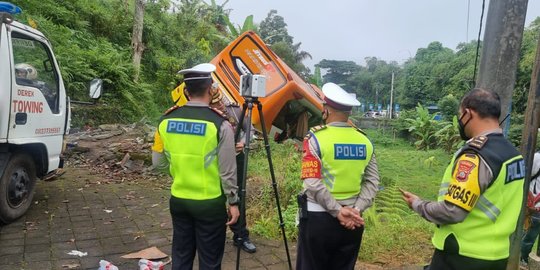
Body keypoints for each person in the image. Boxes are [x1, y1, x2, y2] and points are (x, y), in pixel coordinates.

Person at [401, 88, 525, 270]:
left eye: (460, 115)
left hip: (461, 254)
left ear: (468, 113)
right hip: (496, 256)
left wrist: (418, 204)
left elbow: (452, 212)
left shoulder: (475, 156)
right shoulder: (513, 154)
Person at [151, 63, 240, 270]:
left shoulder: (165, 120)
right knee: (209, 261)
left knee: (181, 257)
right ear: (211, 89)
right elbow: (228, 171)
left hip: (179, 200)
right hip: (210, 203)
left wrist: (179, 170)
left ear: (184, 90)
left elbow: (158, 163)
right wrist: (233, 202)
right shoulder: (220, 124)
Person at [296, 82, 380, 270]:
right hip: (354, 221)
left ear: (326, 110)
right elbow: (372, 182)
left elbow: (312, 182)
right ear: (348, 112)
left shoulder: (315, 138)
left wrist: (337, 211)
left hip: (319, 218)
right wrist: (356, 210)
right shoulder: (365, 140)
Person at [209, 89, 257, 253]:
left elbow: (251, 129)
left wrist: (243, 142)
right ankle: (214, 235)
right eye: (215, 103)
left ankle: (241, 236)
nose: (220, 105)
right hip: (213, 161)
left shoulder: (235, 110)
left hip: (236, 158)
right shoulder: (205, 114)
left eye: (220, 101)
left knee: (239, 196)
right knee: (215, 196)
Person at [521, 152, 540, 266]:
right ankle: (521, 259)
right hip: (534, 208)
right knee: (528, 237)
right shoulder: (537, 158)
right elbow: (523, 177)